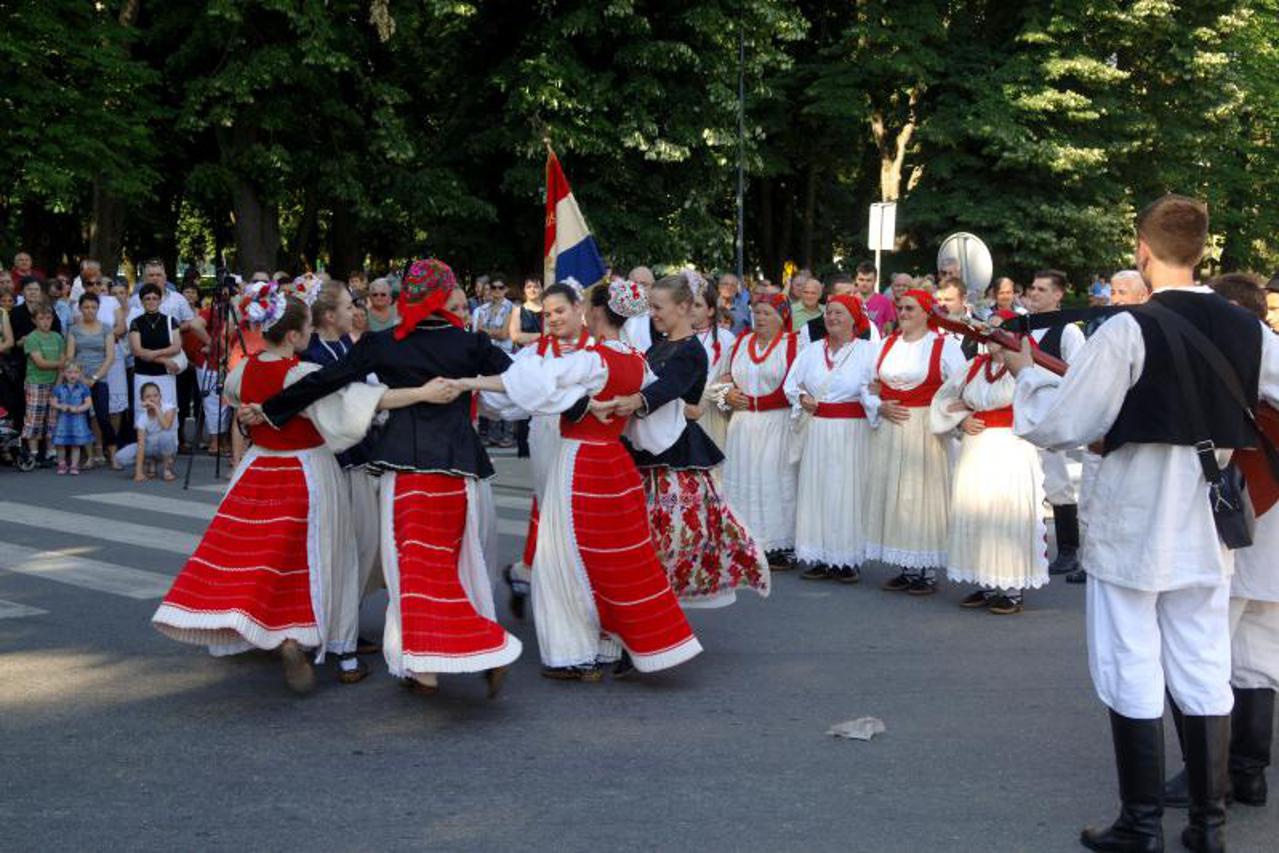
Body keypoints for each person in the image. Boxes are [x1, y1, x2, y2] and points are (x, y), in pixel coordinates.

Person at [1006, 195, 1279, 852]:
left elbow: (1066, 422)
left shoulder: (1128, 329)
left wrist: (1025, 377)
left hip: (1135, 509)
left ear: (1141, 249)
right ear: (1201, 249)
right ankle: (1207, 828)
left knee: (1128, 655)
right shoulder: (1250, 331)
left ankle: (1141, 822)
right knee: (1202, 657)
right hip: (1207, 508)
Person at [248, 260, 523, 698]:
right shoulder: (469, 343)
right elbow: (517, 380)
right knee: (454, 565)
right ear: (445, 294)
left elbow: (327, 380)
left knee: (412, 571)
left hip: (405, 468)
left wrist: (272, 408)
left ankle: (435, 665)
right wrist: (469, 383)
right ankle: (465, 652)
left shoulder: (384, 344)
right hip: (460, 468)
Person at [155, 287, 438, 693]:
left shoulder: (243, 370)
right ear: (292, 336)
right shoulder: (302, 375)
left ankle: (280, 633)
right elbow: (358, 404)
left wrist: (254, 413)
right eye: (305, 328)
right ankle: (343, 651)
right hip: (307, 468)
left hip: (259, 469)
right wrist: (424, 393)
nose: (308, 335)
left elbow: (237, 401)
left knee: (266, 557)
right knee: (332, 558)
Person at [461, 278, 702, 680]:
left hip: (579, 462)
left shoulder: (595, 360)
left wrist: (471, 382)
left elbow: (533, 383)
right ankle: (607, 645)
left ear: (592, 314)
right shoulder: (637, 360)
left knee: (562, 557)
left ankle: (570, 653)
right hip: (616, 463)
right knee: (607, 557)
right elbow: (653, 426)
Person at [1163, 275, 1279, 813]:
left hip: (1245, 520)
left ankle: (1207, 776)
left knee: (1205, 650)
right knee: (1258, 653)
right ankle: (1248, 775)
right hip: (1266, 519)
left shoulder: (1247, 350)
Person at [610, 273, 770, 607]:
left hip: (675, 455)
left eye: (658, 307)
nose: (652, 313)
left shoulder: (692, 351)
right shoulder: (661, 344)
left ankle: (657, 614)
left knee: (672, 539)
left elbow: (670, 385)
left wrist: (635, 401)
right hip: (649, 448)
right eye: (651, 306)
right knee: (650, 540)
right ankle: (648, 610)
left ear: (683, 307)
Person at [930, 313, 1046, 614]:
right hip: (976, 448)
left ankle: (1010, 587)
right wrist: (962, 418)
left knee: (1006, 511)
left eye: (1002, 328)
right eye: (991, 328)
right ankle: (984, 579)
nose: (994, 334)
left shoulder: (1028, 366)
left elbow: (1043, 401)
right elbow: (943, 399)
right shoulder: (973, 367)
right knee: (977, 510)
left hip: (1011, 445)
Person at [496, 281, 591, 620]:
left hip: (589, 441)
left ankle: (531, 575)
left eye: (560, 311)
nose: (553, 319)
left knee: (583, 515)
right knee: (553, 508)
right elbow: (507, 393)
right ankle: (557, 594)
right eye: (548, 313)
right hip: (548, 435)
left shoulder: (598, 348)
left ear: (579, 308)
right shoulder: (534, 353)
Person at [862, 289, 966, 594]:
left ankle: (926, 569)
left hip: (924, 428)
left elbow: (960, 385)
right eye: (901, 308)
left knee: (921, 497)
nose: (904, 313)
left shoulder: (944, 346)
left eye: (910, 308)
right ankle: (907, 565)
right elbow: (868, 385)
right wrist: (878, 405)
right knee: (896, 496)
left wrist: (945, 414)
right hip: (891, 428)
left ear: (926, 312)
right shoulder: (886, 344)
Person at [785, 294, 879, 583]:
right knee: (818, 488)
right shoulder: (811, 351)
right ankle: (820, 555)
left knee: (847, 491)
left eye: (840, 313)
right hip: (818, 429)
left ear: (854, 319)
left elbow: (876, 389)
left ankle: (847, 559)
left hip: (852, 431)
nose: (832, 318)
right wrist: (803, 397)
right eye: (829, 313)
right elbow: (791, 384)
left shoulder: (869, 351)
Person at [722, 292, 801, 569]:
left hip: (776, 423)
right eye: (757, 312)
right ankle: (745, 540)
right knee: (744, 479)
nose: (760, 318)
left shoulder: (794, 344)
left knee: (775, 481)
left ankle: (780, 545)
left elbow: (801, 386)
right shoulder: (741, 342)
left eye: (767, 313)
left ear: (782, 316)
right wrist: (727, 395)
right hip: (743, 424)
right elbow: (721, 381)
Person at [1024, 269, 1089, 580]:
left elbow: (1075, 375)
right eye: (1032, 288)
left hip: (1052, 416)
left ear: (1058, 295)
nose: (1034, 293)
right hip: (1024, 415)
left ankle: (1068, 550)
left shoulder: (1068, 332)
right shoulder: (1023, 328)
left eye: (1041, 289)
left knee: (1057, 483)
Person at [65, 293, 117, 469]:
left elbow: (110, 356)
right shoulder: (74, 329)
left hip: (100, 379)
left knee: (103, 417)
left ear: (98, 308)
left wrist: (94, 378)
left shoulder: (106, 328)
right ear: (80, 308)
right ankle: (89, 456)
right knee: (83, 418)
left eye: (93, 307)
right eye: (86, 307)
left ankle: (112, 455)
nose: (90, 311)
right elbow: (70, 357)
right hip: (79, 380)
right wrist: (82, 378)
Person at [691, 278, 737, 450]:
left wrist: (719, 390)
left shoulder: (726, 339)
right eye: (687, 303)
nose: (690, 309)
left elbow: (732, 380)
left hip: (714, 414)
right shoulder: (672, 337)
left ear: (710, 310)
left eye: (697, 305)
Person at [20, 306, 64, 468]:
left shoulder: (58, 337)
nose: (46, 322)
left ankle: (51, 452)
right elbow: (40, 363)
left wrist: (59, 382)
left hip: (54, 382)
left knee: (53, 418)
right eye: (41, 319)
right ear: (34, 320)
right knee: (35, 418)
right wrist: (60, 364)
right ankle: (34, 453)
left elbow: (62, 361)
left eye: (48, 318)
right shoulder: (32, 338)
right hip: (36, 383)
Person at [473, 278, 515, 447]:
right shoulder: (482, 309)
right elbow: (478, 334)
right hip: (487, 355)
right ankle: (492, 435)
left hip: (505, 354)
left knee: (507, 391)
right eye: (493, 287)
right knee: (490, 392)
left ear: (506, 289)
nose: (496, 291)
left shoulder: (511, 308)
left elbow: (505, 334)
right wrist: (494, 332)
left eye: (500, 287)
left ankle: (507, 435)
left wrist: (488, 332)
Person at [128, 283, 183, 410]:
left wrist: (152, 353)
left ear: (160, 300)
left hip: (166, 375)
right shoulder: (136, 322)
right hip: (143, 374)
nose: (151, 301)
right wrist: (164, 360)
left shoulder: (170, 321)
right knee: (144, 412)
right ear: (142, 301)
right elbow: (137, 351)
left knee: (167, 410)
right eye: (147, 298)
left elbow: (176, 347)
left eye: (155, 298)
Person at [115, 381, 178, 482]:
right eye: (148, 397)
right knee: (120, 457)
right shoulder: (142, 418)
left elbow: (166, 426)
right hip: (149, 446)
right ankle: (149, 461)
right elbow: (141, 444)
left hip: (166, 446)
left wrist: (156, 408)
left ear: (160, 396)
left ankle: (167, 469)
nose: (152, 399)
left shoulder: (169, 407)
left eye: (155, 395)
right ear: (142, 400)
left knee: (166, 435)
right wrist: (138, 472)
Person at [50, 361, 94, 475]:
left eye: (75, 372)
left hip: (78, 420)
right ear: (64, 373)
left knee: (76, 443)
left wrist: (79, 408)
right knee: (60, 444)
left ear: (80, 374)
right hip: (63, 421)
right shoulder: (59, 389)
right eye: (69, 372)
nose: (72, 375)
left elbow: (88, 403)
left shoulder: (83, 388)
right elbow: (53, 402)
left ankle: (74, 465)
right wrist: (60, 406)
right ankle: (62, 463)